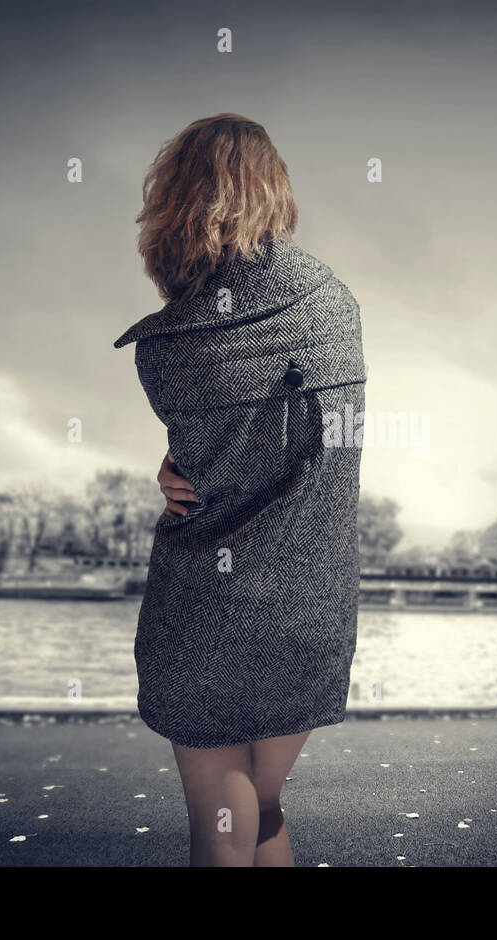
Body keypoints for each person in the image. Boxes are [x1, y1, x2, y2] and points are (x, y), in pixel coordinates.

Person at [113, 113, 367, 866]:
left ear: (173, 201)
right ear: (274, 190)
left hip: (203, 611)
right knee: (260, 813)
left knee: (221, 824)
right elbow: (316, 444)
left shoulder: (166, 345)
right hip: (310, 607)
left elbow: (204, 466)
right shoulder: (335, 304)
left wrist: (173, 466)